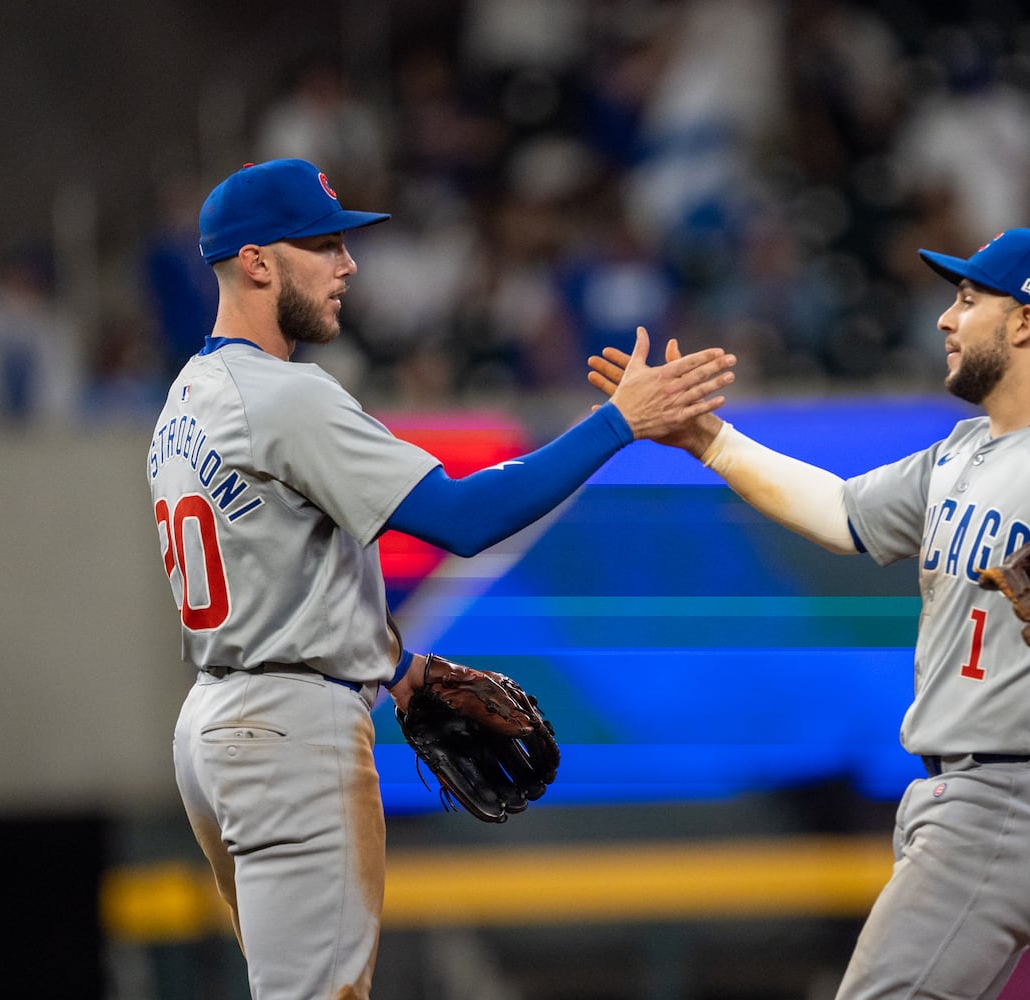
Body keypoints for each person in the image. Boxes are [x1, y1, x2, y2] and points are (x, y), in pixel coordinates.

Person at [588, 228, 1030, 1000]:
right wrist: (707, 441)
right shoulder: (962, 450)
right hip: (957, 795)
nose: (945, 318)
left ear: (1025, 322)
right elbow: (839, 513)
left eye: (968, 299)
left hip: (1016, 796)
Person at [146, 158, 736, 999]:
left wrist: (395, 670)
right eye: (323, 244)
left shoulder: (185, 399)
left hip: (215, 723)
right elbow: (465, 520)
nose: (348, 264)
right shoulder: (285, 396)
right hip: (290, 732)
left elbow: (276, 570)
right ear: (256, 262)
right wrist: (619, 424)